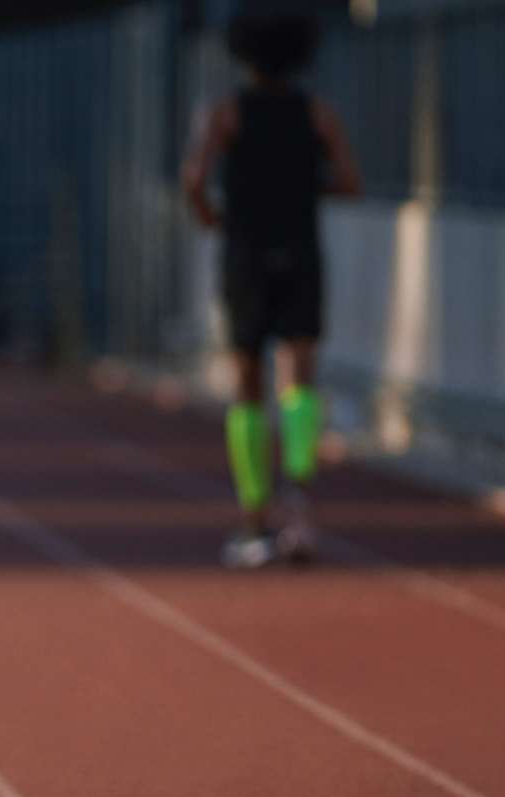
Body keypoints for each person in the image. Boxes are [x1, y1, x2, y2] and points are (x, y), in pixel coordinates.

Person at [180, 14, 360, 568]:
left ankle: (255, 520)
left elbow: (192, 180)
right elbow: (350, 182)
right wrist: (306, 185)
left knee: (247, 383)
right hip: (300, 253)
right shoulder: (318, 114)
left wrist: (213, 216)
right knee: (299, 378)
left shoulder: (225, 115)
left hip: (246, 257)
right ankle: (300, 506)